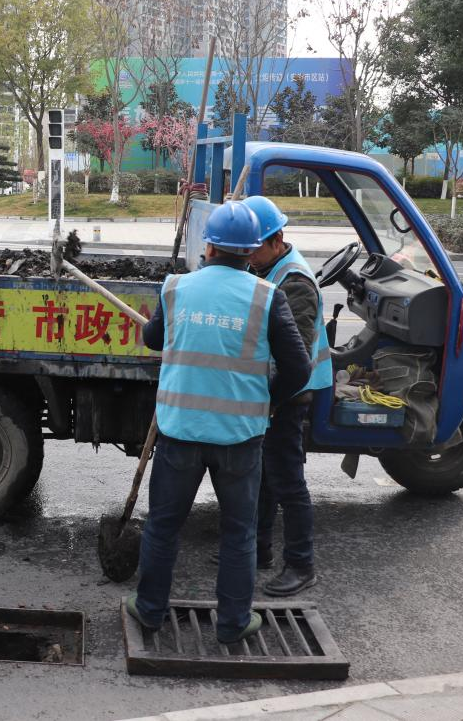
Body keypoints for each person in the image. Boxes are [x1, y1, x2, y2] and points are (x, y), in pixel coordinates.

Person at [126, 201, 311, 645]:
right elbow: (299, 369)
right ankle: (233, 623)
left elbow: (152, 339)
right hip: (239, 438)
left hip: (180, 432)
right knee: (239, 533)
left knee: (163, 526)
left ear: (208, 247)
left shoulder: (176, 288)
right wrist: (268, 402)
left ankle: (149, 610)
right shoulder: (267, 297)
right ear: (250, 251)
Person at [244, 195, 332, 596]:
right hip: (271, 391)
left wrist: (272, 400)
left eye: (254, 247)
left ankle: (301, 564)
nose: (248, 254)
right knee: (264, 475)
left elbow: (294, 358)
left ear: (277, 240)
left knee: (288, 482)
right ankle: (258, 550)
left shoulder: (295, 282)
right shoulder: (266, 267)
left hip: (290, 394)